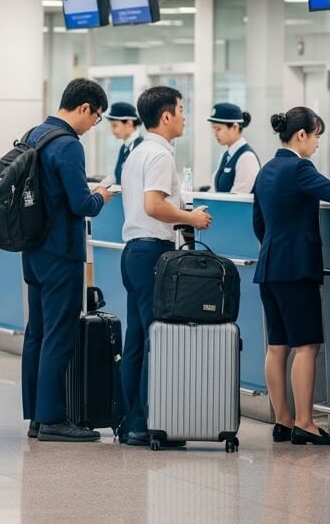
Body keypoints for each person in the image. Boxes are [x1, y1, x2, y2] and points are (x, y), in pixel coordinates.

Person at [252, 107, 330, 447]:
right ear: (302, 135)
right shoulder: (299, 167)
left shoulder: (266, 170)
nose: (318, 143)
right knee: (306, 345)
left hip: (270, 268)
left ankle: (283, 420)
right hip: (296, 269)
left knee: (277, 346)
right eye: (317, 135)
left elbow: (259, 223)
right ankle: (305, 423)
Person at [117, 86, 213, 447]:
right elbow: (154, 206)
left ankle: (131, 423)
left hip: (135, 252)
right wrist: (191, 217)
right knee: (155, 337)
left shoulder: (138, 152)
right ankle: (146, 423)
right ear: (166, 116)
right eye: (182, 110)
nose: (185, 116)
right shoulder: (159, 155)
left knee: (138, 340)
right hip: (152, 251)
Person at [20, 78, 115, 442]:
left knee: (37, 333)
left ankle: (36, 417)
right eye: (96, 118)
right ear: (84, 108)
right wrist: (102, 195)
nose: (94, 126)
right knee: (59, 335)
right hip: (62, 253)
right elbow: (82, 204)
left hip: (33, 250)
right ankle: (54, 419)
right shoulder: (68, 146)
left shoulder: (34, 135)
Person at [208, 102, 260, 194]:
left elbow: (237, 200)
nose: (215, 134)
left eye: (218, 129)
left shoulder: (247, 158)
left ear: (235, 127)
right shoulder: (225, 155)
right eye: (213, 129)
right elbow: (214, 191)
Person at [106, 101, 142, 182]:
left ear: (129, 123)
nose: (112, 131)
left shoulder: (141, 147)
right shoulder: (124, 148)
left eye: (115, 126)